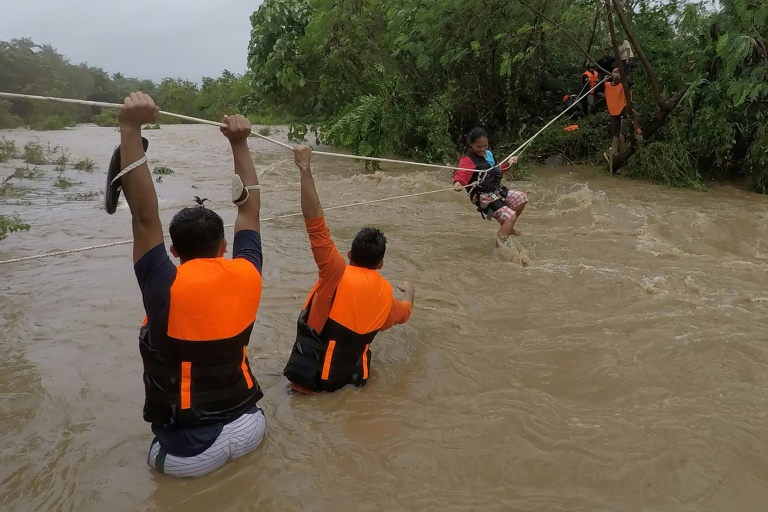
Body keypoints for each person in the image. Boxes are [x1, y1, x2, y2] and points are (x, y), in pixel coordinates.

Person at [108, 92, 267, 478]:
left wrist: (130, 128)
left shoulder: (166, 284)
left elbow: (145, 218)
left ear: (174, 250)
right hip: (250, 427)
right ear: (224, 246)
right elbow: (249, 207)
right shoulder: (249, 272)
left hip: (189, 449)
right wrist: (240, 142)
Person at [282, 145, 415, 394]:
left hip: (307, 388)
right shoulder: (386, 296)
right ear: (381, 264)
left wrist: (304, 168)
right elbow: (405, 313)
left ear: (350, 255)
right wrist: (409, 291)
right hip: (352, 387)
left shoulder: (335, 272)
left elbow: (315, 223)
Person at [452, 128, 527, 244]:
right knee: (510, 217)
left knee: (521, 198)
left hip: (496, 191)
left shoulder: (489, 154)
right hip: (483, 197)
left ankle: (507, 227)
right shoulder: (467, 160)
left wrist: (509, 163)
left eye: (485, 146)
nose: (482, 149)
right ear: (471, 145)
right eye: (478, 147)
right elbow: (461, 174)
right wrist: (458, 183)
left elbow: (496, 171)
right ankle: (499, 249)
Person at [602, 68, 642, 167]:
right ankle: (612, 152)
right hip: (613, 110)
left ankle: (636, 131)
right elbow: (597, 89)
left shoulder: (622, 84)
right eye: (616, 74)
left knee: (636, 115)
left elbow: (629, 83)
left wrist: (621, 77)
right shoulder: (607, 85)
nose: (618, 76)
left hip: (622, 107)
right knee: (616, 133)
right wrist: (604, 79)